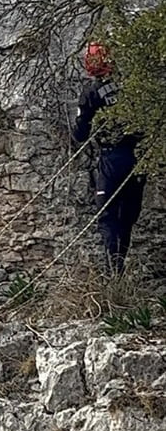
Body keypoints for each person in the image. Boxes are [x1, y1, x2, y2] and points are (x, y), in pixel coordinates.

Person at [72, 42, 144, 275]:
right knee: (127, 216)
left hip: (111, 158)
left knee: (107, 215)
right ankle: (119, 265)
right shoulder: (132, 87)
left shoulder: (91, 92)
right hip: (138, 157)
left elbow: (80, 134)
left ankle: (113, 271)